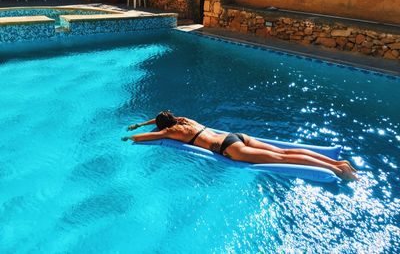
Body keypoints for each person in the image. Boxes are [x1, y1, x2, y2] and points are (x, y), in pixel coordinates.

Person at [122, 111, 357, 180]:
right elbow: (160, 117)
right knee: (284, 151)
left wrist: (131, 136)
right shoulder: (185, 120)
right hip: (237, 136)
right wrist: (141, 122)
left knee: (283, 159)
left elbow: (145, 138)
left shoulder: (170, 132)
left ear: (165, 126)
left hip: (231, 149)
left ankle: (337, 170)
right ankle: (337, 162)